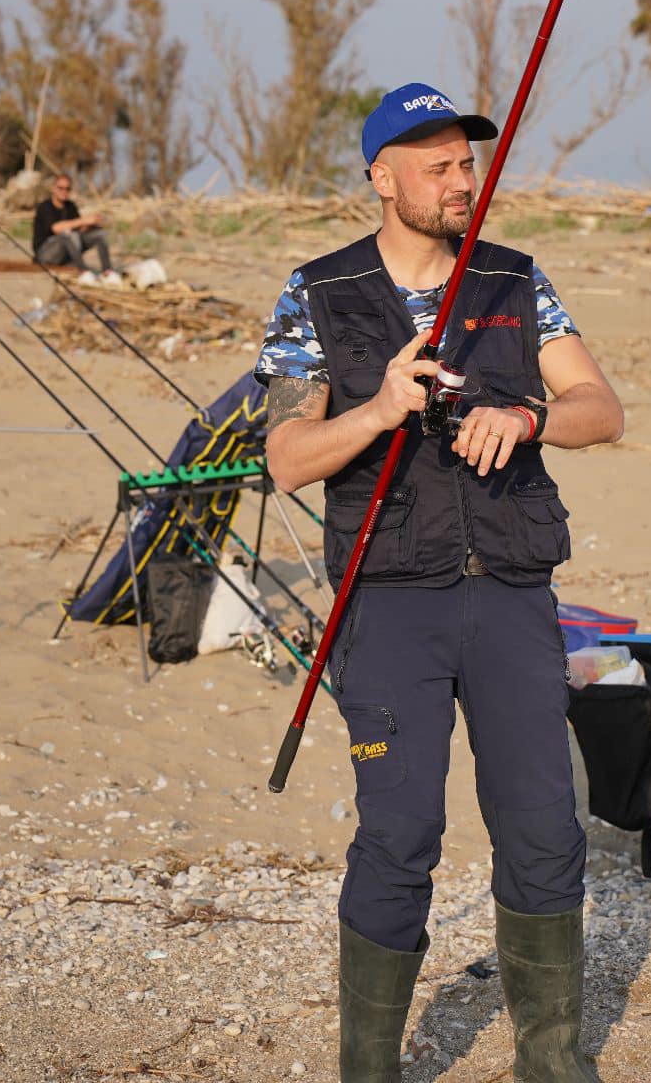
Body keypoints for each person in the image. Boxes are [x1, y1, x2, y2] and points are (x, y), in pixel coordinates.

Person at [256, 83, 623, 1083]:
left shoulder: (514, 280)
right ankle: (369, 1069)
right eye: (439, 166)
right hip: (388, 604)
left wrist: (533, 418)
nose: (463, 181)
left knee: (544, 827)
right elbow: (285, 457)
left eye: (469, 162)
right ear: (382, 178)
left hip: (509, 594)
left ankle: (553, 1061)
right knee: (401, 831)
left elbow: (599, 405)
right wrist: (375, 409)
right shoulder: (317, 294)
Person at [31, 174, 121, 284]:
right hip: (45, 255)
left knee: (99, 234)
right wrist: (83, 221)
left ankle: (107, 272)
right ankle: (83, 271)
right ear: (53, 188)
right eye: (60, 188)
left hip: (66, 253)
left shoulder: (70, 206)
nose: (64, 191)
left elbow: (78, 230)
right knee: (68, 234)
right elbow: (56, 228)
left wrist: (92, 224)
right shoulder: (45, 206)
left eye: (67, 188)